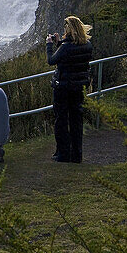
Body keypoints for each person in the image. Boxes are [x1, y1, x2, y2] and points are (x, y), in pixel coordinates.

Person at [46, 16, 94, 163]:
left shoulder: (66, 48)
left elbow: (51, 60)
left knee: (61, 120)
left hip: (63, 87)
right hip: (78, 87)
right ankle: (76, 154)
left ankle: (63, 154)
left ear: (69, 30)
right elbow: (70, 52)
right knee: (76, 120)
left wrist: (49, 45)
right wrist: (59, 42)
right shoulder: (87, 45)